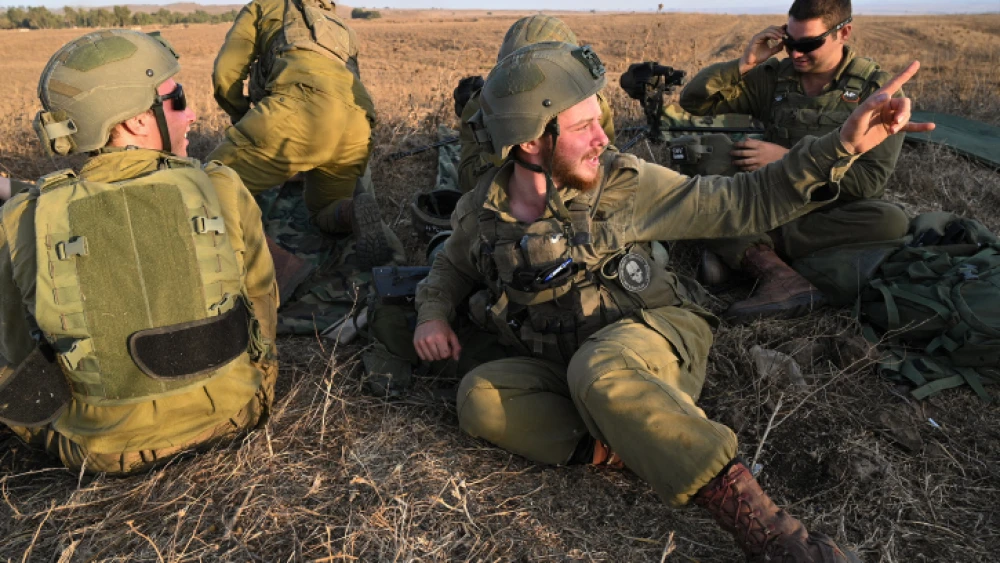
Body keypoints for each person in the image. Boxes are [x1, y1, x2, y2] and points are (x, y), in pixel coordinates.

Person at [414, 41, 931, 561]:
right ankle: (625, 438)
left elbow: (743, 202)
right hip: (569, 363)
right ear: (529, 142)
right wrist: (432, 314)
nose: (602, 138)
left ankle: (773, 533)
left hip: (658, 336)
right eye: (582, 127)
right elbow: (450, 266)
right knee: (479, 397)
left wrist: (839, 145)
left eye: (599, 120)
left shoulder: (627, 184)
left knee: (599, 367)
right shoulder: (481, 208)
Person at [0, 29, 278, 475]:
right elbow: (262, 314)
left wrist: (65, 426)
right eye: (177, 100)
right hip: (234, 417)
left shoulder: (21, 221)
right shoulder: (222, 188)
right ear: (136, 120)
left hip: (100, 453)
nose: (190, 116)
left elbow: (11, 359)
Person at [679, 0, 910, 320]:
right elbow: (694, 103)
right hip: (767, 194)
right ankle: (775, 269)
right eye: (789, 42)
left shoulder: (877, 91)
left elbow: (869, 183)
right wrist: (745, 63)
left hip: (826, 205)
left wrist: (788, 158)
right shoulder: (775, 78)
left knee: (890, 220)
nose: (796, 53)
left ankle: (744, 246)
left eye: (809, 44)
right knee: (701, 151)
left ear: (844, 32)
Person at [209, 0, 396, 269]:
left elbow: (226, 72)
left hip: (300, 110)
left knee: (207, 186)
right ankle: (350, 212)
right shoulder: (338, 24)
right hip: (355, 125)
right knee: (323, 211)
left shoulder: (264, 6)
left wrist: (241, 117)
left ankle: (265, 267)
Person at [455, 15, 616, 193]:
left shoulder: (591, 103)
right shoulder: (480, 107)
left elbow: (604, 156)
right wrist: (502, 136)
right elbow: (468, 181)